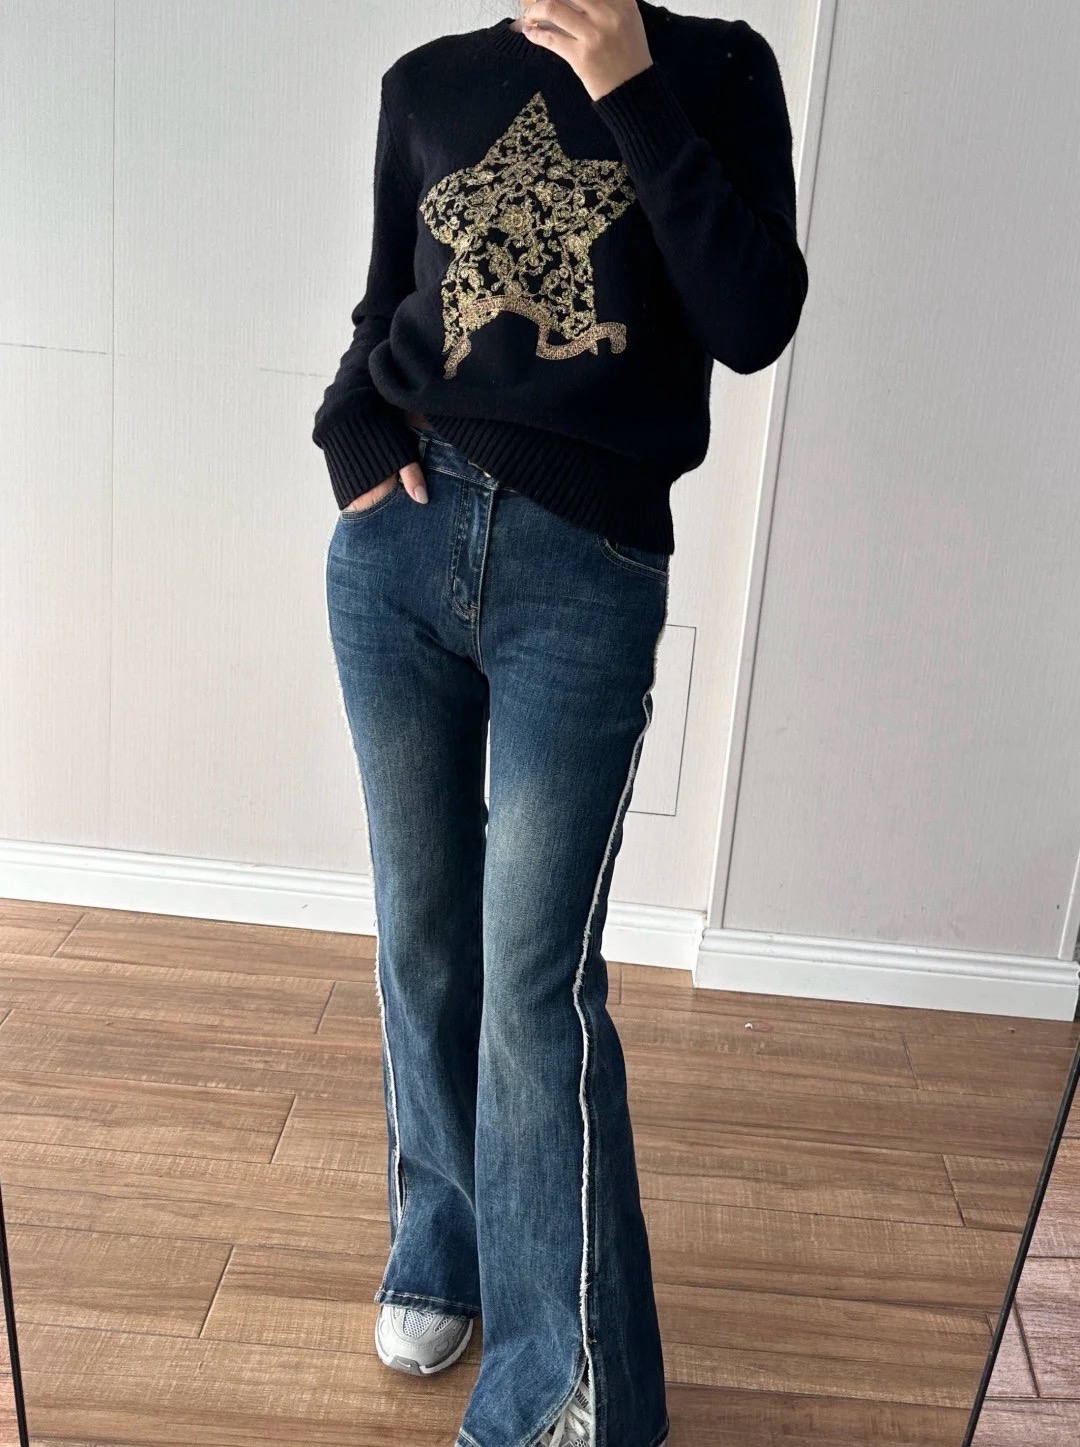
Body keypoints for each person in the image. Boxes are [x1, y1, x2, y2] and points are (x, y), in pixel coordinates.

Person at [314, 2, 808, 1443]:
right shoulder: (428, 82)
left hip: (583, 574)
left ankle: (565, 1390)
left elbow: (753, 322)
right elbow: (384, 305)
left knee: (536, 979)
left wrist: (628, 88)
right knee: (421, 933)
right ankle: (441, 1247)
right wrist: (350, 428)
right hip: (399, 555)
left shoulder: (717, 69)